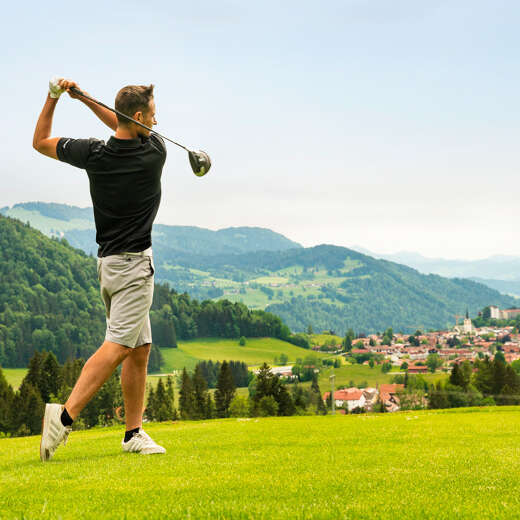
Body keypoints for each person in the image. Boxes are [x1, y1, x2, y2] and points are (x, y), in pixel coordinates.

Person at [33, 78, 167, 460]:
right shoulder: (154, 151)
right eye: (153, 116)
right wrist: (88, 100)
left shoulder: (94, 154)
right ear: (140, 117)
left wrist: (57, 97)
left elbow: (40, 141)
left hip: (108, 267)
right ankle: (64, 417)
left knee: (139, 349)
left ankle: (133, 433)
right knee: (118, 346)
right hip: (135, 270)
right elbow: (122, 124)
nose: (157, 124)